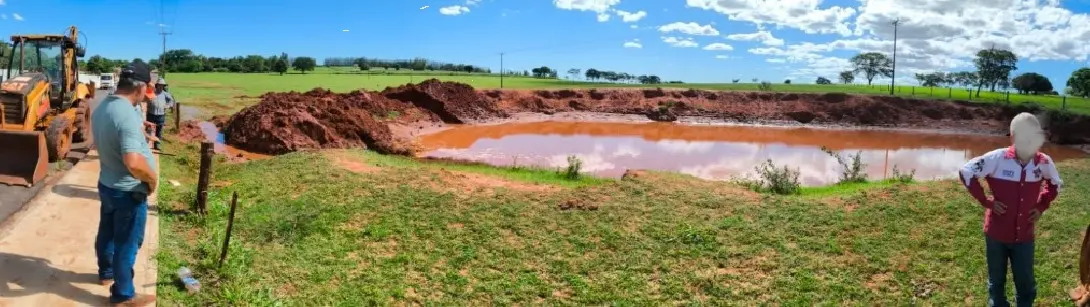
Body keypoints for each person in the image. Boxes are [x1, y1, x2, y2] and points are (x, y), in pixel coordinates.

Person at [958, 112, 1064, 307]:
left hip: (1025, 235)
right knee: (996, 281)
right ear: (1013, 136)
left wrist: (1041, 206)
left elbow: (1055, 183)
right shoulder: (996, 158)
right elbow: (966, 171)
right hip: (996, 234)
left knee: (1025, 283)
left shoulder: (1043, 162)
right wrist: (986, 201)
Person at [90, 61, 158, 306]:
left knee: (107, 233)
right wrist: (151, 179)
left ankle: (106, 273)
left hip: (107, 184)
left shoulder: (102, 108)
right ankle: (124, 295)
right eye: (147, 89)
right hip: (128, 191)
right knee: (127, 244)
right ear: (140, 87)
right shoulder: (127, 113)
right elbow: (133, 162)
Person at [145, 77, 174, 150]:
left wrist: (168, 105)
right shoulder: (151, 93)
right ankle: (146, 145)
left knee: (159, 131)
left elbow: (171, 101)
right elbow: (144, 98)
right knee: (149, 129)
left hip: (160, 115)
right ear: (156, 85)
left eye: (162, 85)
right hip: (151, 114)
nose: (160, 87)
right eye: (159, 85)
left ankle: (157, 145)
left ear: (164, 86)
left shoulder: (165, 94)